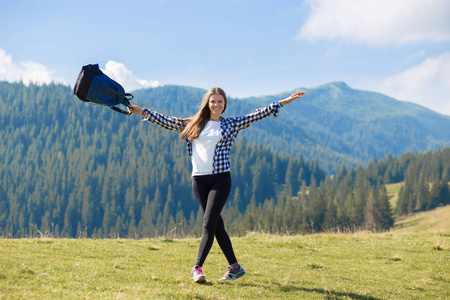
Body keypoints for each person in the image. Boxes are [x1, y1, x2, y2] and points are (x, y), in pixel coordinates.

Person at [127, 87, 305, 283]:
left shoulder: (231, 124)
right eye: (213, 101)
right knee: (216, 225)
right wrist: (142, 111)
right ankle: (235, 267)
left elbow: (256, 115)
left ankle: (197, 268)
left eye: (220, 102)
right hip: (199, 180)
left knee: (208, 224)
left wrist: (281, 103)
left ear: (224, 104)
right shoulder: (192, 123)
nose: (217, 105)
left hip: (220, 179)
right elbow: (168, 121)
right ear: (207, 103)